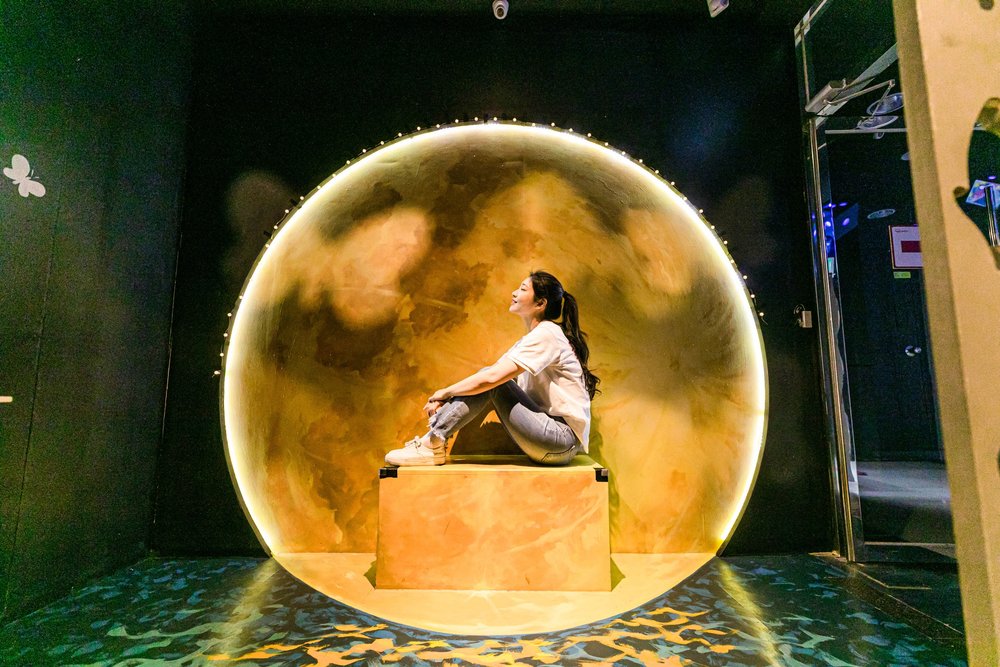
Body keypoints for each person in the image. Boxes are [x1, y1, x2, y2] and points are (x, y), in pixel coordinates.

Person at [384, 271, 600, 467]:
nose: (514, 293)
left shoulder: (548, 333)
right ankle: (434, 440)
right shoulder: (532, 340)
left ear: (540, 303)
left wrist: (444, 392)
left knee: (495, 382)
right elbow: (490, 377)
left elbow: (492, 379)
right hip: (550, 442)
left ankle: (433, 441)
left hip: (559, 440)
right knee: (492, 380)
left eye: (523, 289)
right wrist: (449, 401)